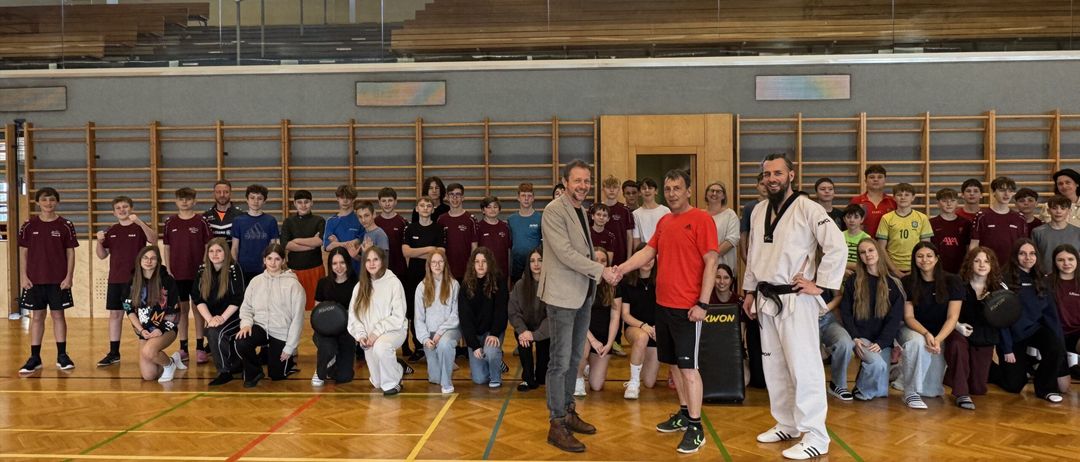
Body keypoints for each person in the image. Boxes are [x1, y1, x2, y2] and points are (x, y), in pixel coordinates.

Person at [741, 153, 846, 460]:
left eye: (777, 173)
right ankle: (786, 422)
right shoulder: (758, 210)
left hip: (797, 299)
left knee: (804, 366)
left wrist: (821, 285)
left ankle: (816, 434)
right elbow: (754, 254)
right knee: (774, 365)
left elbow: (836, 246)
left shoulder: (808, 208)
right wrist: (749, 291)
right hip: (766, 297)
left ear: (791, 175)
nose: (771, 178)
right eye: (766, 174)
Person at [618, 169, 720, 455]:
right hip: (663, 307)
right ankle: (684, 413)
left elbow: (711, 262)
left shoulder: (702, 219)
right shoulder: (664, 221)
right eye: (668, 188)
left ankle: (697, 427)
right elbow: (647, 252)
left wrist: (702, 304)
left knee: (689, 370)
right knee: (674, 366)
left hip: (688, 310)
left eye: (677, 188)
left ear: (688, 190)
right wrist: (621, 269)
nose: (672, 193)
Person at [539, 159, 617, 453]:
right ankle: (556, 423)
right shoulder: (553, 211)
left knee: (574, 359)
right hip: (561, 297)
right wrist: (602, 271)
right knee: (559, 362)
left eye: (586, 181)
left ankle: (568, 410)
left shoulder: (582, 210)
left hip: (582, 294)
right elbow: (566, 253)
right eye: (577, 181)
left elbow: (580, 251)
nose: (583, 186)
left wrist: (595, 278)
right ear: (565, 182)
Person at [991, 238, 1067, 403]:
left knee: (1055, 346)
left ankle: (1045, 389)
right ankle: (991, 370)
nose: (1028, 258)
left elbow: (1050, 314)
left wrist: (1058, 344)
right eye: (1023, 254)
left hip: (1033, 330)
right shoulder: (1003, 280)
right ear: (1015, 256)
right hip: (1012, 335)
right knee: (1014, 386)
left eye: (1032, 254)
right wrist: (1007, 349)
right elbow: (1001, 319)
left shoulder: (1041, 279)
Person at [18, 187, 79, 374]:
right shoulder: (29, 225)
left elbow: (70, 252)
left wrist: (69, 276)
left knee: (58, 316)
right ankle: (34, 357)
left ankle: (62, 356)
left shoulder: (66, 225)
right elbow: (24, 252)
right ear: (37, 203)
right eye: (44, 200)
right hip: (34, 280)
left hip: (58, 280)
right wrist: (23, 275)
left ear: (57, 202)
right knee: (37, 317)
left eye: (52, 200)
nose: (48, 203)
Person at [837, 239, 905, 401]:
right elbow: (845, 312)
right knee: (878, 365)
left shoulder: (893, 283)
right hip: (861, 337)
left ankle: (864, 379)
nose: (867, 255)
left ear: (878, 252)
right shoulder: (854, 281)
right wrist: (854, 337)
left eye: (871, 250)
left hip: (882, 341)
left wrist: (882, 342)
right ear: (859, 257)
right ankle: (860, 390)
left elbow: (894, 319)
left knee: (881, 392)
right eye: (862, 252)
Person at [898, 242, 962, 409]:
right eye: (919, 256)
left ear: (936, 259)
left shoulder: (952, 280)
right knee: (917, 342)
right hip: (913, 329)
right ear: (914, 259)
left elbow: (952, 317)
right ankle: (910, 393)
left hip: (940, 332)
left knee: (931, 391)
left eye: (929, 256)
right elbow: (908, 316)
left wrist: (938, 339)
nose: (924, 260)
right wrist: (926, 334)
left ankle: (899, 374)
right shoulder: (907, 281)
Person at [96, 196, 157, 367]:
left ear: (131, 208)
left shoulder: (138, 227)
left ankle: (147, 350)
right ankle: (114, 352)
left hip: (136, 280)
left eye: (125, 207)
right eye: (118, 208)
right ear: (114, 212)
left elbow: (153, 239)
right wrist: (99, 241)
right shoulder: (112, 230)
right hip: (115, 279)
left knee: (141, 316)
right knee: (115, 315)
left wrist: (139, 221)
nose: (122, 210)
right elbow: (102, 255)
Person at [234, 243, 305, 388]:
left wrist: (290, 347)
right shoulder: (255, 282)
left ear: (283, 261)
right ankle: (254, 372)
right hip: (260, 327)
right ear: (264, 260)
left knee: (276, 375)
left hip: (281, 332)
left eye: (277, 259)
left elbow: (298, 319)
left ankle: (287, 361)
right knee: (241, 341)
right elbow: (246, 307)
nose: (273, 263)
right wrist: (246, 324)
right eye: (269, 258)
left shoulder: (293, 285)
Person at [943, 247, 1001, 411]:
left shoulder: (998, 288)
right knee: (957, 346)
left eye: (986, 261)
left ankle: (950, 375)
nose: (982, 265)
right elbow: (944, 313)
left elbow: (1004, 319)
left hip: (984, 337)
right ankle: (961, 393)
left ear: (992, 265)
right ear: (970, 263)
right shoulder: (957, 284)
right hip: (959, 331)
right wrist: (958, 326)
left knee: (978, 388)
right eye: (977, 261)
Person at [348, 246, 409, 395]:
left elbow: (398, 316)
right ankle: (397, 367)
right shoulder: (360, 286)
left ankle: (393, 384)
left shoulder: (393, 283)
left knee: (382, 348)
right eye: (368, 260)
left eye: (375, 259)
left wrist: (376, 333)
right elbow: (353, 316)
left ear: (382, 261)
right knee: (377, 383)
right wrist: (361, 335)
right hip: (370, 337)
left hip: (394, 331)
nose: (372, 263)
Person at [163, 187, 213, 364]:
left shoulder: (202, 221)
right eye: (181, 199)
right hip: (177, 274)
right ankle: (183, 347)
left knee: (199, 309)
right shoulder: (170, 222)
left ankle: (200, 347)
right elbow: (167, 247)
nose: (184, 202)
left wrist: (205, 267)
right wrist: (168, 269)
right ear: (176, 202)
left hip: (198, 274)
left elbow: (208, 246)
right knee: (182, 310)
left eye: (188, 199)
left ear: (194, 201)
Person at [123, 245, 187, 382]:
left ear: (158, 261)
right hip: (145, 331)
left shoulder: (167, 281)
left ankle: (169, 365)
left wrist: (161, 329)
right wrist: (141, 330)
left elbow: (175, 310)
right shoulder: (132, 281)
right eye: (145, 258)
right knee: (149, 376)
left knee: (149, 352)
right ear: (139, 260)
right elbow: (129, 309)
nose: (148, 261)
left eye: (153, 258)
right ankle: (172, 360)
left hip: (165, 329)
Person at [192, 237, 245, 386]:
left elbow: (238, 299)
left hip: (234, 315)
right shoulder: (203, 270)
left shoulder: (234, 268)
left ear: (226, 253)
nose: (215, 254)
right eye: (212, 251)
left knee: (215, 332)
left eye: (219, 251)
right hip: (214, 317)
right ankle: (231, 365)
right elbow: (197, 299)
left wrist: (221, 319)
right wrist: (209, 319)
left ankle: (224, 371)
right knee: (211, 330)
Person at [403, 196, 447, 357]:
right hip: (414, 276)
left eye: (429, 205)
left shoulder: (438, 229)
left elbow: (441, 253)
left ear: (433, 209)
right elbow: (406, 252)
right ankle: (419, 345)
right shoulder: (410, 229)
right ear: (417, 209)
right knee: (416, 312)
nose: (425, 208)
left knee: (433, 309)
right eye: (422, 205)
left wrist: (419, 252)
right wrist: (430, 249)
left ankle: (435, 342)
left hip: (434, 276)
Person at [459, 247, 509, 387]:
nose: (480, 265)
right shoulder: (465, 286)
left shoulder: (499, 282)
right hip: (475, 334)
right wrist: (474, 345)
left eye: (484, 262)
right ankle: (495, 362)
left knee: (491, 351)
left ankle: (495, 376)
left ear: (490, 263)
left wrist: (494, 334)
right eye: (477, 262)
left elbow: (501, 312)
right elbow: (465, 318)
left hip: (492, 331)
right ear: (472, 264)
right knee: (479, 379)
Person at [414, 249, 461, 394]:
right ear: (428, 265)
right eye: (433, 262)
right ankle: (447, 360)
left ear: (445, 264)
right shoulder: (421, 287)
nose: (437, 265)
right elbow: (419, 318)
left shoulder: (454, 285)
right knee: (434, 378)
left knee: (445, 344)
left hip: (449, 330)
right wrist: (425, 339)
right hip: (430, 334)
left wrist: (440, 332)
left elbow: (456, 315)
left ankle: (447, 384)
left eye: (440, 262)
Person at [311, 248, 359, 387]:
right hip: (325, 331)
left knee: (344, 377)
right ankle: (321, 370)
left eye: (342, 263)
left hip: (347, 331)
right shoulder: (323, 283)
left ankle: (332, 362)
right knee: (328, 347)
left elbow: (360, 311)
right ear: (330, 265)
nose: (338, 267)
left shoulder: (357, 283)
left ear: (348, 263)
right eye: (334, 263)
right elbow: (317, 311)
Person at [618, 243, 660, 399]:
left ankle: (639, 366)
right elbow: (625, 315)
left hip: (655, 331)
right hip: (635, 328)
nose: (648, 261)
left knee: (649, 382)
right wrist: (643, 326)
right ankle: (633, 382)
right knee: (642, 337)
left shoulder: (660, 280)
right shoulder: (627, 282)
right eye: (644, 258)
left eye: (651, 258)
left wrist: (658, 328)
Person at [576, 247, 620, 395]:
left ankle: (587, 365)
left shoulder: (613, 284)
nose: (599, 263)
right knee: (584, 347)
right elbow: (579, 318)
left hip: (602, 338)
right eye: (595, 260)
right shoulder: (581, 283)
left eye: (603, 261)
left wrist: (609, 343)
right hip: (585, 334)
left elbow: (615, 317)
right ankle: (578, 378)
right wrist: (593, 340)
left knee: (596, 386)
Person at [508, 247, 549, 392]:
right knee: (522, 339)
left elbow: (552, 317)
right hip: (525, 329)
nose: (536, 264)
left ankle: (540, 373)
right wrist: (523, 331)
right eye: (532, 261)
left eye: (540, 260)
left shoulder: (552, 285)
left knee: (542, 377)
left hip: (545, 332)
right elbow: (513, 312)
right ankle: (527, 377)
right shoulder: (520, 285)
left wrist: (536, 335)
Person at [876, 183, 933, 278]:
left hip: (916, 267)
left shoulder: (922, 218)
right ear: (894, 198)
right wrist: (895, 270)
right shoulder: (886, 218)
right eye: (899, 195)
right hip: (892, 269)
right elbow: (881, 248)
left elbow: (925, 247)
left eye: (907, 195)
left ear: (913, 197)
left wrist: (916, 268)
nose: (903, 197)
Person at [281, 189, 326, 311]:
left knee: (316, 307)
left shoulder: (319, 220)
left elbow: (320, 241)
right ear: (295, 204)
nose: (303, 205)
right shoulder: (288, 222)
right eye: (299, 202)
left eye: (306, 202)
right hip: (294, 271)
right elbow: (286, 244)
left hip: (315, 269)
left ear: (311, 203)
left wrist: (296, 240)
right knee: (295, 307)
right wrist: (311, 244)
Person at [970, 176, 1027, 265]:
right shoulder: (982, 216)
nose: (1006, 194)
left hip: (1011, 267)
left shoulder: (1020, 218)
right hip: (987, 266)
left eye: (1010, 191)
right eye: (1002, 190)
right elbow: (974, 245)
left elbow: (1024, 246)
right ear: (993, 192)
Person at [231, 184, 280, 286]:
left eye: (259, 198)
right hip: (243, 269)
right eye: (252, 198)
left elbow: (274, 247)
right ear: (247, 200)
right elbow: (235, 247)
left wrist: (273, 266)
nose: (255, 201)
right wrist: (234, 267)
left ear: (264, 201)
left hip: (265, 269)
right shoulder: (238, 221)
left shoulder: (270, 221)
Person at [1049, 244, 1080, 379]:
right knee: (1063, 387)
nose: (1066, 263)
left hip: (1077, 334)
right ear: (1055, 262)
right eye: (1061, 260)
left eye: (1070, 259)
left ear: (1077, 260)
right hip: (1055, 334)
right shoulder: (1046, 282)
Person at [438, 183, 479, 281]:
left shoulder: (471, 219)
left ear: (463, 197)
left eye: (458, 194)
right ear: (447, 197)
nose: (455, 198)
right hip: (446, 270)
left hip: (466, 271)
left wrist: (471, 268)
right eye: (451, 194)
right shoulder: (441, 220)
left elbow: (474, 247)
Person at [1032, 195, 1080, 273]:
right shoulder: (1037, 232)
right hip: (1046, 277)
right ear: (1048, 211)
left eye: (1063, 208)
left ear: (1069, 211)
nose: (1058, 211)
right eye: (1054, 208)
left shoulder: (1078, 232)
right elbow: (1034, 257)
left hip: (1073, 277)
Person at [930, 188, 972, 274]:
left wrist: (966, 266)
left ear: (957, 203)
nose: (949, 204)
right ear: (938, 204)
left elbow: (969, 248)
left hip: (960, 269)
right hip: (938, 269)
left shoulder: (966, 223)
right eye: (944, 201)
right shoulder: (931, 223)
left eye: (952, 200)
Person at [507, 183, 543, 282]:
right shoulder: (511, 219)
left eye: (529, 196)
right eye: (523, 195)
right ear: (518, 198)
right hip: (517, 264)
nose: (526, 199)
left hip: (535, 264)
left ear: (533, 198)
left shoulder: (540, 218)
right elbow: (509, 245)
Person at [848, 164, 896, 239]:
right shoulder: (856, 201)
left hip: (888, 247)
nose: (876, 180)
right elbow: (849, 226)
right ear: (865, 181)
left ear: (885, 180)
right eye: (871, 177)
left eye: (880, 177)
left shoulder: (893, 201)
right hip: (863, 246)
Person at [324, 184, 364, 267]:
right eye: (342, 197)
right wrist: (349, 244)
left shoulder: (360, 219)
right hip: (338, 269)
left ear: (353, 199)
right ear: (337, 199)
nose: (345, 201)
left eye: (348, 198)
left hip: (357, 267)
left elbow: (362, 242)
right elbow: (328, 247)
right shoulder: (331, 221)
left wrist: (337, 243)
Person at [705, 181, 741, 272]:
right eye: (711, 191)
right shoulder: (699, 215)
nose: (714, 193)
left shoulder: (730, 215)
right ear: (706, 194)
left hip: (724, 269)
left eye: (718, 191)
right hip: (702, 266)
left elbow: (732, 240)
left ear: (724, 196)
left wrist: (711, 258)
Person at [599, 176, 635, 265]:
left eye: (614, 187)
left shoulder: (625, 210)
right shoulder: (596, 209)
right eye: (608, 187)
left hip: (621, 255)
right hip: (600, 255)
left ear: (619, 190)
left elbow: (629, 236)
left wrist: (629, 259)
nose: (611, 190)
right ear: (603, 189)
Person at [477, 196, 512, 286]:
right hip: (484, 272)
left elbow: (508, 250)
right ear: (483, 210)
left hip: (502, 271)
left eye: (495, 207)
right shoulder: (478, 227)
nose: (492, 209)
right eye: (489, 207)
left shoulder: (505, 226)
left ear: (499, 209)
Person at [376, 187, 410, 279]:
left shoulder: (403, 222)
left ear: (395, 202)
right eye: (384, 201)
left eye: (390, 200)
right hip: (379, 269)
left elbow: (407, 248)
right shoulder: (374, 222)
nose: (387, 204)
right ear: (379, 202)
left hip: (399, 270)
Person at [631, 177, 670, 248]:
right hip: (645, 253)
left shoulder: (665, 211)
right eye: (644, 188)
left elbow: (670, 235)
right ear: (639, 192)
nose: (647, 190)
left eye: (650, 188)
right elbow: (636, 240)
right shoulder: (635, 214)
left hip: (663, 251)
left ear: (656, 191)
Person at [738, 172, 767, 265]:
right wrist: (743, 254)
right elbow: (744, 232)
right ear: (757, 186)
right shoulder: (749, 207)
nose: (765, 187)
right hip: (755, 252)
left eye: (767, 184)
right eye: (762, 184)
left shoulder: (779, 206)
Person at [841, 204, 871, 276]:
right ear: (844, 219)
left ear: (862, 219)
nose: (852, 220)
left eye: (856, 217)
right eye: (849, 217)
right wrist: (843, 270)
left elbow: (867, 262)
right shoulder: (839, 236)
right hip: (841, 275)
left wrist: (843, 266)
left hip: (860, 275)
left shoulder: (866, 238)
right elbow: (834, 259)